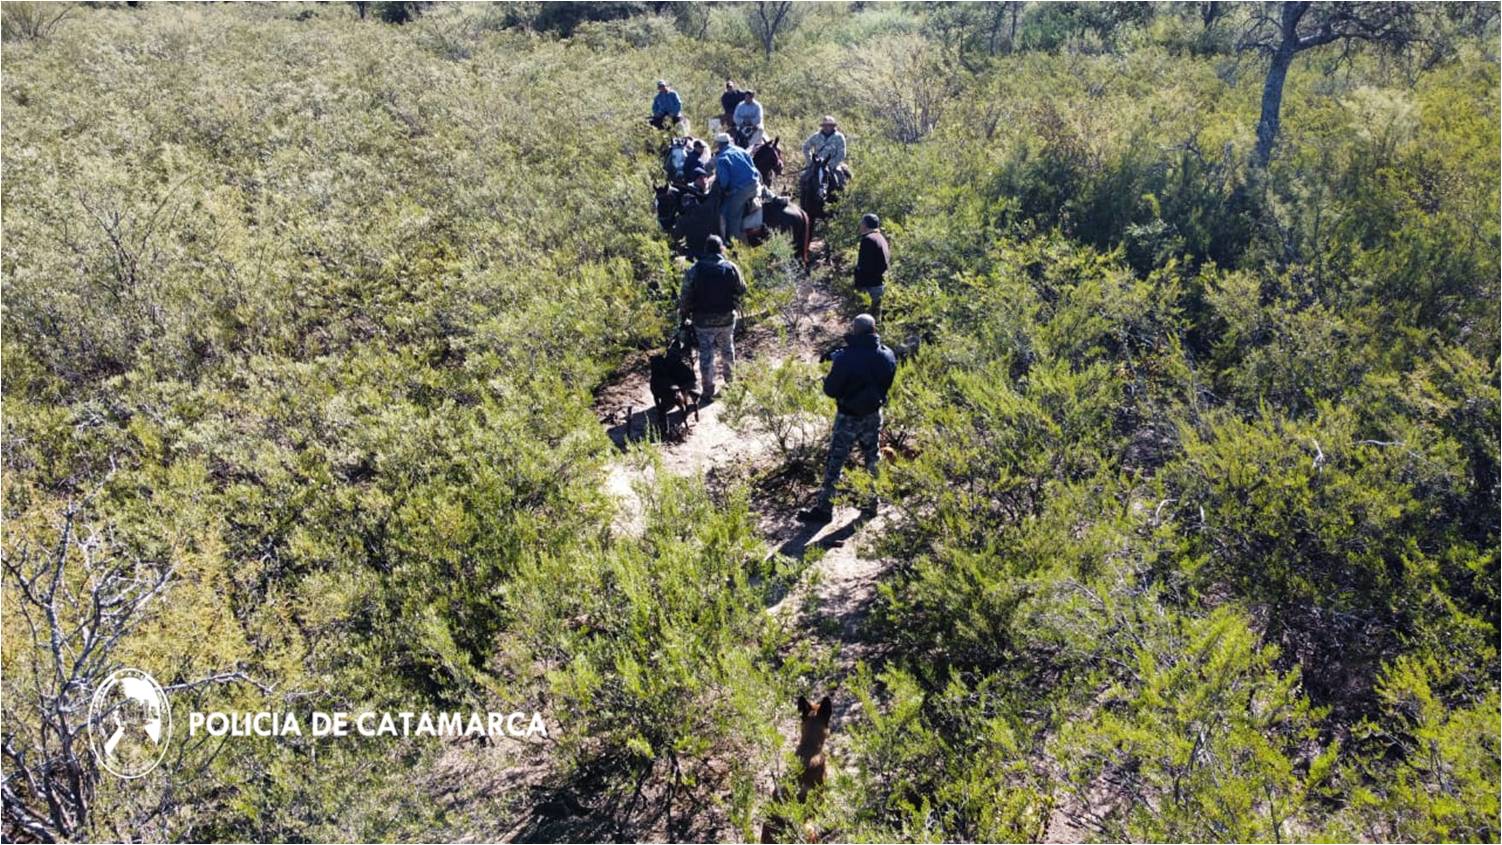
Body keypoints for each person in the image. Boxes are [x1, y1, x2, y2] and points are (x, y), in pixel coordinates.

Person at [798, 314, 897, 524]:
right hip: (873, 414)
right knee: (872, 458)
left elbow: (831, 390)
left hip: (848, 417)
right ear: (874, 329)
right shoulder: (888, 355)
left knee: (836, 461)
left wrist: (831, 372)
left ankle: (825, 509)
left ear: (855, 331)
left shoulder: (846, 358)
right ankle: (872, 503)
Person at [678, 235, 746, 398]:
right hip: (726, 318)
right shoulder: (730, 267)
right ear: (721, 248)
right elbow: (742, 289)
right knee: (727, 350)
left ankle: (708, 390)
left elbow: (686, 295)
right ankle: (731, 385)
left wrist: (684, 313)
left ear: (706, 250)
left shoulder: (695, 269)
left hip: (702, 321)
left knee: (706, 354)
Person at [713, 133, 760, 243]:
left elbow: (724, 182)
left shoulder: (722, 158)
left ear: (719, 145)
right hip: (755, 184)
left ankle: (733, 243)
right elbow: (753, 167)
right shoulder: (741, 150)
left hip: (742, 190)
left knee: (729, 214)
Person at [853, 213, 890, 320]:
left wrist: (859, 286)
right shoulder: (880, 238)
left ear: (865, 225)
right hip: (879, 285)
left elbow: (864, 266)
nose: (860, 225)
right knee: (875, 320)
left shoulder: (868, 239)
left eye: (861, 223)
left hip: (869, 287)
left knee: (864, 320)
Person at [801, 115, 848, 189]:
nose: (827, 127)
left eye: (829, 125)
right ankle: (802, 198)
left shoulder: (839, 137)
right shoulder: (816, 136)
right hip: (817, 164)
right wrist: (810, 161)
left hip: (833, 166)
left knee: (841, 180)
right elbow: (805, 147)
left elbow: (842, 154)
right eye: (825, 125)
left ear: (833, 126)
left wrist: (829, 164)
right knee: (803, 177)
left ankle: (842, 198)